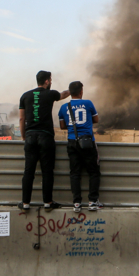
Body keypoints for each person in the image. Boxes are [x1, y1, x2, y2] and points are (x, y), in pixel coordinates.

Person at [18, 70, 70, 212]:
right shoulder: (51, 93)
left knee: (29, 171)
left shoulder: (25, 96)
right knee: (47, 171)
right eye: (50, 80)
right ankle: (48, 202)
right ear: (46, 81)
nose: (51, 82)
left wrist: (24, 136)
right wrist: (72, 90)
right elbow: (63, 95)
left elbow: (22, 119)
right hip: (46, 137)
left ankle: (25, 203)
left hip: (30, 137)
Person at [58, 81, 102, 213]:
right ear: (81, 91)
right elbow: (96, 120)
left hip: (72, 142)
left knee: (75, 173)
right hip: (88, 142)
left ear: (70, 92)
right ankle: (92, 201)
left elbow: (62, 126)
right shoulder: (88, 103)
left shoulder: (63, 107)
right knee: (93, 172)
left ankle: (76, 203)